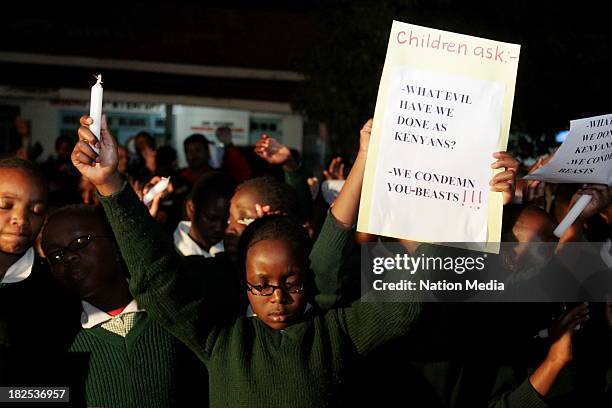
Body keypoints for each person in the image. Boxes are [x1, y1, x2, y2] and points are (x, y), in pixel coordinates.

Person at [73, 115, 424, 406]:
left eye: (292, 284)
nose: (278, 298)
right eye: (262, 285)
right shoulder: (221, 340)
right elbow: (158, 276)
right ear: (244, 282)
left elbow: (408, 299)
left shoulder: (334, 333)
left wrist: (399, 180)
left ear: (308, 276)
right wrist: (111, 187)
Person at [40, 204, 208, 408]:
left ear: (115, 244)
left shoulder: (174, 315)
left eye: (80, 242)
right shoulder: (56, 340)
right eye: (55, 255)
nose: (68, 257)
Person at [0, 158, 78, 386]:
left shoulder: (57, 292)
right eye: (5, 205)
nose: (21, 220)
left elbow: (56, 392)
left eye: (36, 210)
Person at [174, 172, 235, 257]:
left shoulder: (231, 251)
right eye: (211, 218)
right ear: (191, 208)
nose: (219, 227)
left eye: (227, 220)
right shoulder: (169, 252)